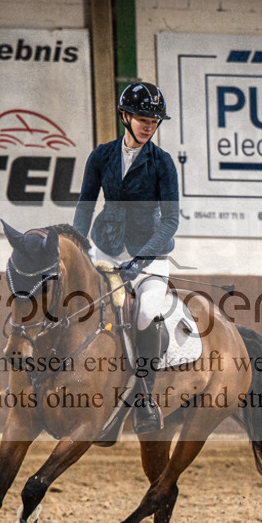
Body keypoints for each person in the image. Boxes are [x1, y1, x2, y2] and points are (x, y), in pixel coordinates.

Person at [74, 81, 179, 434]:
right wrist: (78, 247)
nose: (149, 125)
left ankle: (144, 396)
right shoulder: (101, 156)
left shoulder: (162, 163)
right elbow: (85, 207)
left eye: (154, 120)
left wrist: (143, 258)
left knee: (147, 313)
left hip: (149, 251)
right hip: (106, 246)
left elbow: (171, 219)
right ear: (125, 116)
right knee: (80, 306)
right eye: (142, 118)